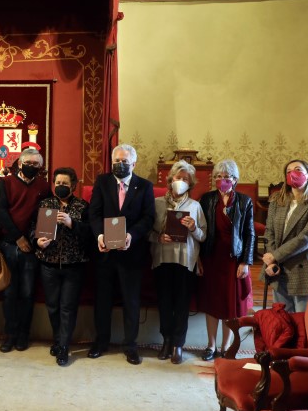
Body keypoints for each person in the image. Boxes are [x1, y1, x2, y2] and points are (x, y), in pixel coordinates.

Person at [88, 143, 155, 365]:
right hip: (104, 253)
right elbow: (94, 213)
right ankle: (101, 342)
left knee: (131, 301)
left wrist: (131, 236)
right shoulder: (102, 182)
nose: (120, 164)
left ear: (133, 164)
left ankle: (130, 345)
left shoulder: (144, 186)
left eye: (125, 161)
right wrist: (99, 236)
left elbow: (148, 218)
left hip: (131, 253)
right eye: (116, 161)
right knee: (103, 300)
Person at [32, 167, 90, 366]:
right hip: (48, 263)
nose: (61, 186)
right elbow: (33, 229)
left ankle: (64, 346)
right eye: (58, 183)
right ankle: (58, 339)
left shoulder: (82, 206)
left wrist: (71, 223)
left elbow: (90, 234)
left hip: (73, 265)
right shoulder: (45, 204)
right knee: (53, 306)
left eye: (65, 184)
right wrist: (37, 240)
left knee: (67, 307)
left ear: (73, 186)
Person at [197, 159, 255, 361]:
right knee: (211, 304)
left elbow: (250, 234)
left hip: (233, 259)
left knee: (230, 305)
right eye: (218, 176)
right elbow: (200, 232)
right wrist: (199, 259)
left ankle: (225, 347)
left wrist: (245, 262)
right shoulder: (206, 199)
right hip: (211, 256)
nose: (222, 180)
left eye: (226, 177)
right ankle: (211, 346)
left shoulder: (244, 201)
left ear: (235, 180)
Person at [149, 160, 206, 364]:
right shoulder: (156, 203)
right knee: (164, 303)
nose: (180, 181)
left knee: (182, 304)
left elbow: (203, 236)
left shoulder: (195, 206)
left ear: (190, 184)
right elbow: (147, 231)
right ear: (170, 179)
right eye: (178, 177)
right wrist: (158, 237)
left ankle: (178, 345)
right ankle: (166, 341)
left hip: (185, 260)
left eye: (185, 179)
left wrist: (192, 228)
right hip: (162, 258)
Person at [0, 148, 51, 353]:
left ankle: (23, 335)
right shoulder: (6, 182)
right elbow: (1, 211)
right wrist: (17, 238)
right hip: (10, 244)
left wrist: (32, 240)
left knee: (27, 293)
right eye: (29, 163)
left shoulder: (44, 186)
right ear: (20, 163)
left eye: (37, 165)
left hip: (31, 246)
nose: (32, 167)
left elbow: (46, 213)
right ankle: (9, 335)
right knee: (10, 293)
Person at [261, 159, 308, 312]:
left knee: (304, 318)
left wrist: (275, 256)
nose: (293, 174)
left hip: (305, 265)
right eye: (289, 171)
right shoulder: (277, 200)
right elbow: (269, 231)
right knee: (283, 318)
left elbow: (306, 237)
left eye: (298, 169)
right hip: (279, 267)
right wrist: (272, 260)